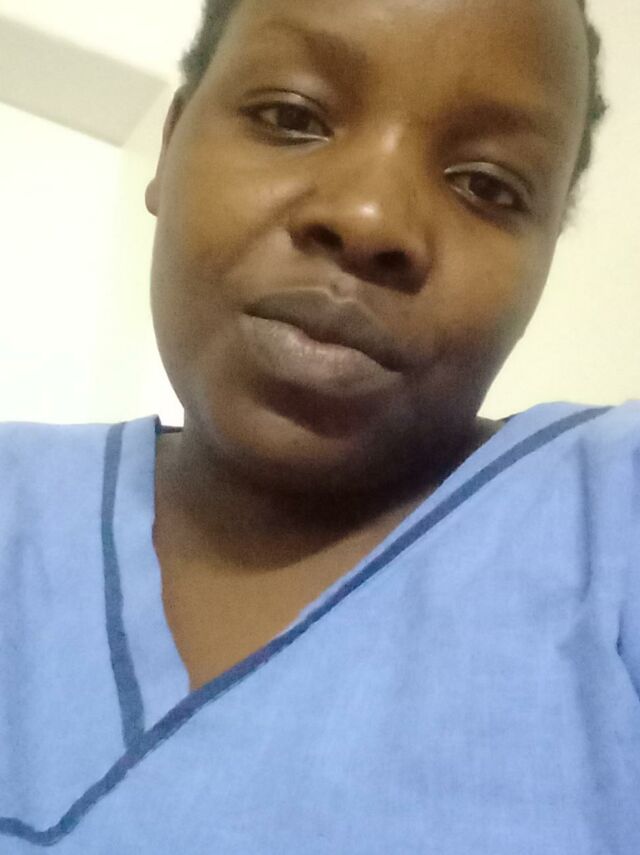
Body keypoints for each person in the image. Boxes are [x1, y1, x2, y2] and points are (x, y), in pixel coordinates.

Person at [0, 0, 634, 851]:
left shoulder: (610, 519)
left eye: (488, 185)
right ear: (171, 145)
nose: (370, 218)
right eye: (291, 117)